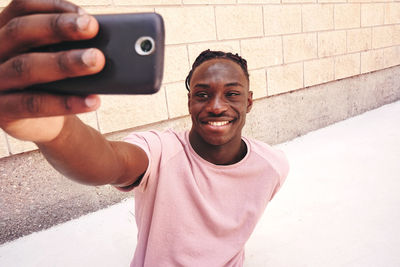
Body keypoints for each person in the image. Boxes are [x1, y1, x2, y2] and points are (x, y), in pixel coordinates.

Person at [0, 0, 289, 266]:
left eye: (232, 94)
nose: (215, 106)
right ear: (189, 102)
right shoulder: (161, 151)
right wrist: (53, 128)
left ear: (248, 102)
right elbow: (111, 162)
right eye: (202, 94)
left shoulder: (272, 166)